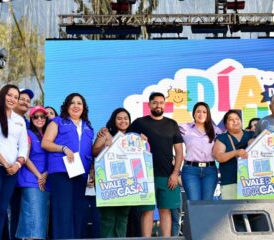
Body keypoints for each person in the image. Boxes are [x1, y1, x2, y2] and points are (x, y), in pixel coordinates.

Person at [127, 92, 183, 237]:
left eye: (161, 102)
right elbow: (125, 142)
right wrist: (136, 137)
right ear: (149, 104)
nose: (158, 105)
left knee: (166, 211)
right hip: (144, 177)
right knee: (147, 212)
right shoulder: (139, 123)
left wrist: (175, 173)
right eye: (155, 102)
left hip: (167, 176)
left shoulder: (172, 124)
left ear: (164, 104)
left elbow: (179, 151)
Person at [42, 93, 94, 239]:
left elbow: (90, 151)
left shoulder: (88, 127)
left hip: (80, 173)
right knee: (63, 211)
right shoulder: (57, 121)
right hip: (61, 171)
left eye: (79, 103)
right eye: (72, 103)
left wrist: (91, 171)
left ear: (84, 107)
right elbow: (45, 143)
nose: (76, 106)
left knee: (78, 212)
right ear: (67, 106)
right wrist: (63, 148)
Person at [92, 108, 132, 238]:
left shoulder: (133, 137)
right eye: (119, 118)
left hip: (127, 183)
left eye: (126, 118)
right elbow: (94, 152)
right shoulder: (105, 133)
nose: (123, 121)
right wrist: (106, 143)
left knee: (123, 217)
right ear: (113, 120)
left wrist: (142, 140)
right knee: (108, 218)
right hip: (107, 183)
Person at [15, 106, 49, 240]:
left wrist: (46, 174)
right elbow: (25, 156)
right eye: (36, 116)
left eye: (42, 116)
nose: (39, 119)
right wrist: (39, 175)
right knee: (32, 221)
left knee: (40, 222)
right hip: (32, 180)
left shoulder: (47, 135)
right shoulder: (27, 133)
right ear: (31, 118)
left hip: (45, 181)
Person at [0, 84, 28, 237]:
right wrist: (5, 164)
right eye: (9, 95)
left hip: (12, 171)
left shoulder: (20, 120)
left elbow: (24, 146)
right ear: (3, 94)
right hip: (0, 167)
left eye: (15, 97)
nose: (12, 99)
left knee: (3, 208)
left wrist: (17, 164)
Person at [179, 102, 221, 201]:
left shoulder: (216, 130)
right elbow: (168, 132)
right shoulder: (185, 128)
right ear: (193, 113)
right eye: (198, 111)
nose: (201, 114)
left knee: (207, 203)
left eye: (204, 112)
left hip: (210, 171)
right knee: (194, 203)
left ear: (208, 114)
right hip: (190, 171)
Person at [10, 88, 34, 240]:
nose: (25, 102)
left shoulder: (28, 124)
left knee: (18, 210)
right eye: (22, 98)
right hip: (6, 170)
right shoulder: (4, 117)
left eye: (28, 100)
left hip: (22, 176)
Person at [212, 110, 253, 200]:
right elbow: (219, 157)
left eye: (237, 119)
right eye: (231, 120)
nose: (235, 121)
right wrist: (235, 152)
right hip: (230, 181)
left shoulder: (250, 135)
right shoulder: (223, 138)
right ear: (226, 125)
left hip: (252, 182)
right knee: (232, 211)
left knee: (253, 211)